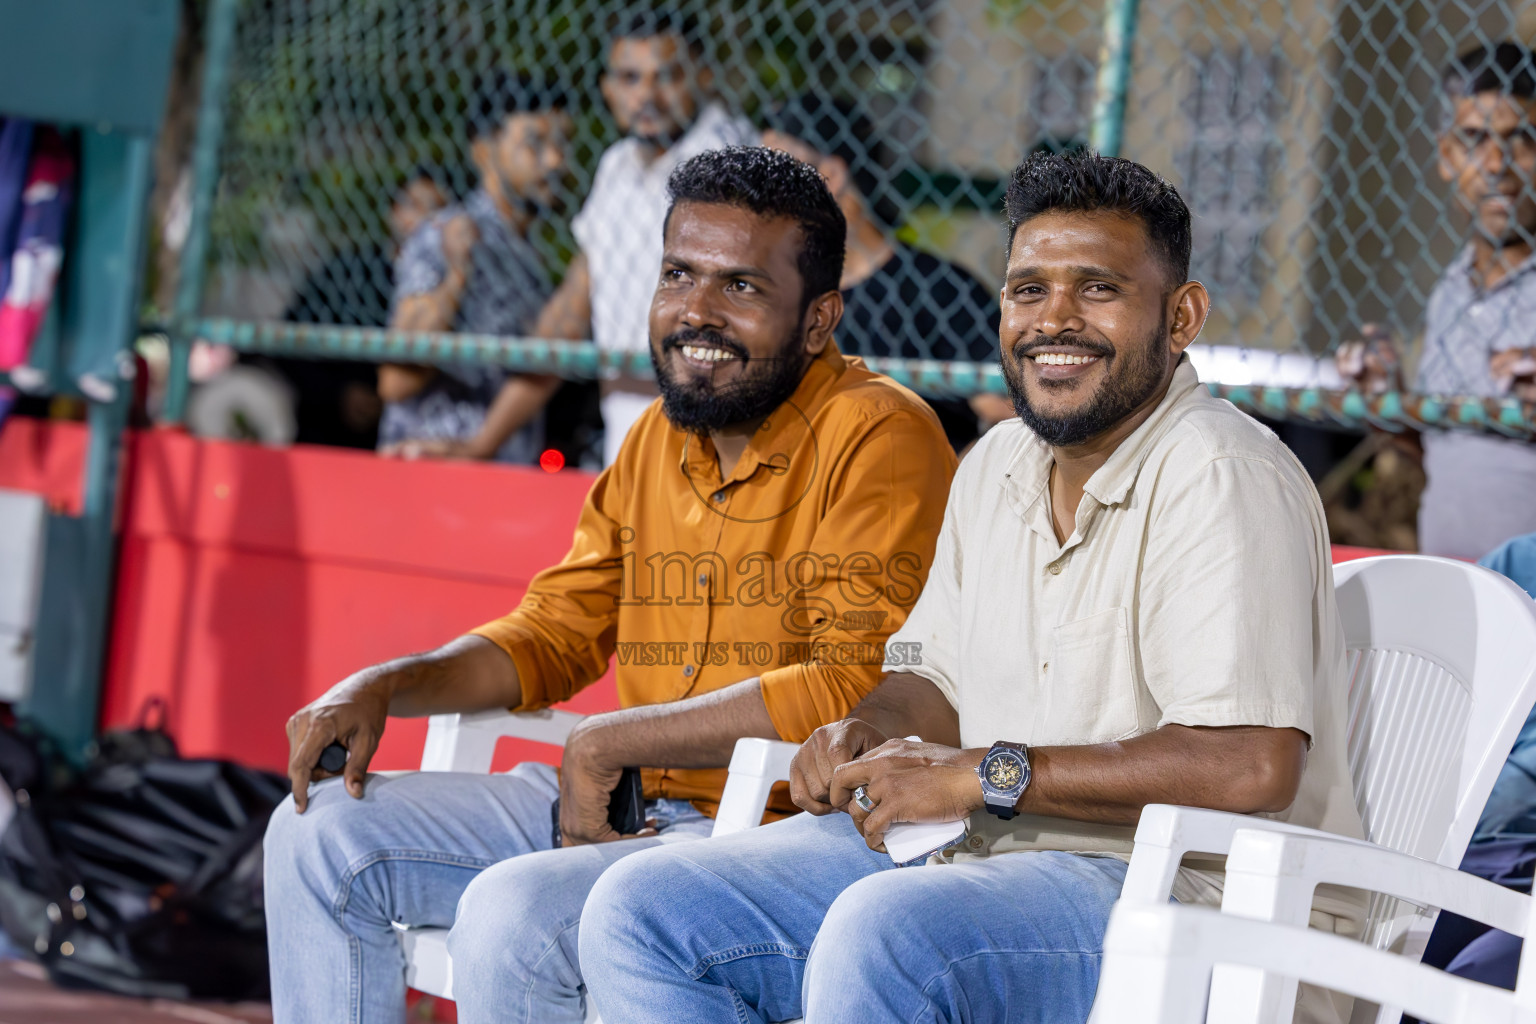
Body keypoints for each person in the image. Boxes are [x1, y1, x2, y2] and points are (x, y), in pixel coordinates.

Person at [579, 150, 1365, 1024]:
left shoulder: (1220, 471)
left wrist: (982, 775)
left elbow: (1248, 763)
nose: (1053, 321)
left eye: (1097, 289)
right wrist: (864, 730)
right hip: (992, 856)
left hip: (1206, 905)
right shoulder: (997, 464)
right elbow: (933, 680)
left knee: (891, 935)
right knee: (643, 910)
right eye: (1028, 290)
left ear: (1181, 316)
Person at [263, 146, 957, 1024]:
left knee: (514, 915)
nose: (696, 312)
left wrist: (610, 739)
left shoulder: (879, 434)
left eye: (741, 287)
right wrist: (385, 685)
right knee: (316, 834)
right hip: (621, 804)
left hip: (761, 833)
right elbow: (556, 630)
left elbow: (849, 686)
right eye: (679, 275)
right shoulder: (659, 436)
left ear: (818, 320)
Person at [529, 8, 757, 466]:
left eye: (667, 76)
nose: (647, 95)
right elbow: (578, 299)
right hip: (626, 438)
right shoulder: (616, 164)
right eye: (631, 78)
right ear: (607, 88)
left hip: (717, 443)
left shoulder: (734, 157)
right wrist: (484, 436)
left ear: (704, 76)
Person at [1336, 42, 1536, 559]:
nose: (1496, 164)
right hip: (1461, 595)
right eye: (1475, 140)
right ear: (1448, 156)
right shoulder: (1450, 291)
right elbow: (1442, 460)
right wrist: (1392, 409)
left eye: (1522, 139)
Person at [764, 95, 1009, 451]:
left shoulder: (938, 288)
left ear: (829, 175)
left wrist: (944, 484)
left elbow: (1008, 418)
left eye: (777, 170)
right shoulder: (782, 293)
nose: (760, 191)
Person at [375, 71, 569, 463]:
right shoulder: (443, 234)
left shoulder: (532, 259)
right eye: (535, 143)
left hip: (501, 479)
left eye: (563, 142)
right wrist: (456, 275)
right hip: (428, 468)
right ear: (484, 151)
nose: (556, 160)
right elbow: (395, 381)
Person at [1412, 530, 1536, 998]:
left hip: (1510, 854)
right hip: (1440, 842)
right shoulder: (1518, 561)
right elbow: (1426, 695)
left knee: (1467, 987)